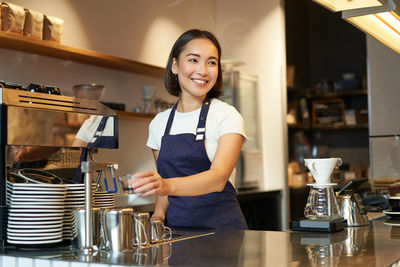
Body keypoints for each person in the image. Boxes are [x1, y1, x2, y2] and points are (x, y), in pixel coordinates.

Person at [127, 29, 248, 230]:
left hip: (224, 234)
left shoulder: (227, 116)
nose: (203, 70)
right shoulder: (159, 123)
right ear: (174, 66)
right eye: (193, 60)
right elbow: (163, 181)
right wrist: (158, 214)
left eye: (211, 62)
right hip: (177, 232)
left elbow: (217, 179)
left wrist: (166, 185)